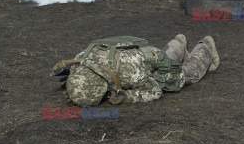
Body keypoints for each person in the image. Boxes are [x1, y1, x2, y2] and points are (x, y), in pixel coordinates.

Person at [50, 35, 219, 106]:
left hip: (144, 60)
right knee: (158, 61)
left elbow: (154, 91)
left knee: (184, 76)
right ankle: (178, 43)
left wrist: (126, 97)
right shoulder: (81, 61)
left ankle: (205, 46)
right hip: (137, 57)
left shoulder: (128, 72)